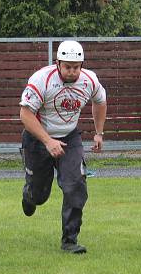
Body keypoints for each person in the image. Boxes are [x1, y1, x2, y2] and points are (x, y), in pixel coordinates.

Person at [19, 40, 107, 254]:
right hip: (39, 140)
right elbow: (25, 114)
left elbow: (100, 102)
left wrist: (99, 132)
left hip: (69, 138)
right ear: (57, 63)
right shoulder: (42, 79)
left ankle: (70, 239)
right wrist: (48, 141)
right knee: (40, 196)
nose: (71, 72)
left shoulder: (90, 80)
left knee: (76, 186)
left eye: (76, 67)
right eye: (67, 67)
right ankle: (29, 194)